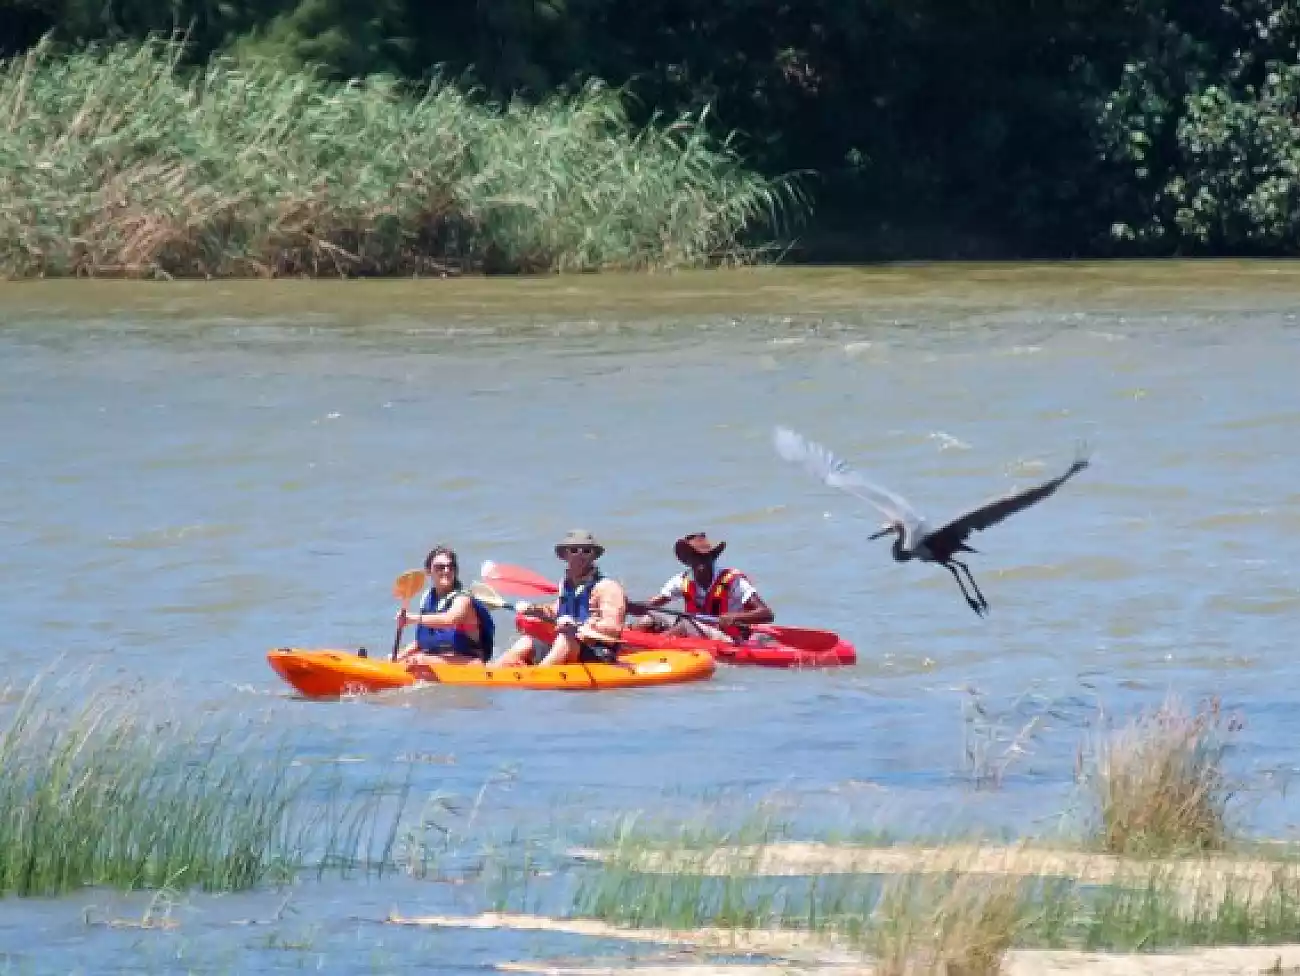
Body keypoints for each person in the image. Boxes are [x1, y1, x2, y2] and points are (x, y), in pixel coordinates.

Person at [496, 529, 627, 667]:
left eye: (587, 551)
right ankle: (493, 672)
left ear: (594, 556)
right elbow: (556, 612)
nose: (580, 555)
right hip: (568, 645)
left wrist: (578, 626)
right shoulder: (566, 585)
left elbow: (612, 627)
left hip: (598, 652)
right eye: (574, 550)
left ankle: (539, 674)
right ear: (565, 555)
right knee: (526, 641)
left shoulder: (608, 587)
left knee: (564, 640)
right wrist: (532, 610)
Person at [629, 532, 773, 642]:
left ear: (713, 557)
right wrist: (629, 606)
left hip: (727, 638)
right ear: (688, 560)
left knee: (686, 625)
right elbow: (651, 605)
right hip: (696, 631)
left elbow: (766, 614)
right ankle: (629, 643)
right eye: (696, 557)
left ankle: (656, 647)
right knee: (648, 619)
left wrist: (734, 617)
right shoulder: (681, 580)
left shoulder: (733, 581)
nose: (701, 562)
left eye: (705, 557)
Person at [396, 545, 495, 663]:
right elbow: (422, 642)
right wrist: (400, 656)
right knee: (406, 659)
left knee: (419, 660)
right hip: (439, 660)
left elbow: (450, 619)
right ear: (428, 571)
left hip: (469, 663)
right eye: (440, 567)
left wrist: (412, 618)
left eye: (451, 567)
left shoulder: (463, 599)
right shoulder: (428, 599)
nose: (446, 571)